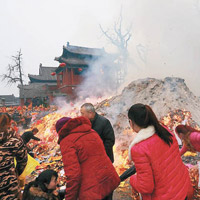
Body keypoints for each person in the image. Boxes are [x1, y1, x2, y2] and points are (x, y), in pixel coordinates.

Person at [128, 103, 193, 200]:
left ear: (131, 122)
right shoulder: (164, 130)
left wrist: (132, 180)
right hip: (183, 188)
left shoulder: (138, 149)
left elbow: (146, 187)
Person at [56, 116, 120, 200]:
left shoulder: (67, 142)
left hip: (92, 188)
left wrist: (70, 198)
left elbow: (73, 175)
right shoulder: (91, 131)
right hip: (108, 179)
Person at [0, 113, 28, 200]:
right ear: (9, 123)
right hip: (9, 188)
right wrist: (14, 173)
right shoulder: (14, 140)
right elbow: (23, 161)